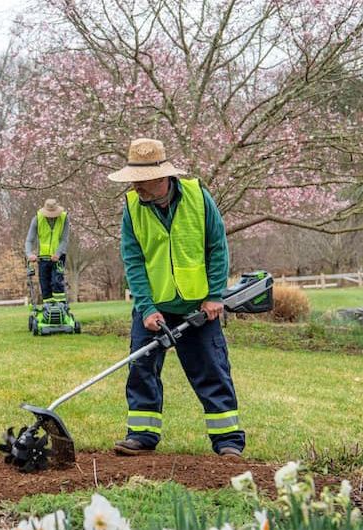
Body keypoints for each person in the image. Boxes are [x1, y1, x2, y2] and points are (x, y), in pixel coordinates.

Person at [106, 138, 243, 459]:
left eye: (141, 181)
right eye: (133, 181)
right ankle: (142, 434)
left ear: (163, 176)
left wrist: (213, 295)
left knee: (212, 369)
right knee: (141, 370)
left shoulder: (199, 198)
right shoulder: (132, 209)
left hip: (199, 307)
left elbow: (217, 248)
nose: (136, 187)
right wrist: (146, 307)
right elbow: (134, 261)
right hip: (154, 308)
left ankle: (228, 441)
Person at [24, 199, 70, 305]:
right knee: (45, 284)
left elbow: (64, 239)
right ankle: (48, 307)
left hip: (59, 257)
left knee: (57, 282)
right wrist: (29, 254)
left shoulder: (64, 218)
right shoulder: (37, 219)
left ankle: (61, 307)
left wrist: (58, 254)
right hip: (43, 258)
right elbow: (29, 240)